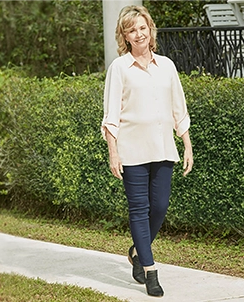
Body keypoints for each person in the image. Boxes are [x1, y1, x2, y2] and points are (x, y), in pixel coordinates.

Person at [101, 5, 193, 297]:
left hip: (163, 148)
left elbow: (179, 107)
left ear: (150, 30)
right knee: (138, 210)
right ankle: (150, 270)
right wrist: (113, 152)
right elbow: (111, 115)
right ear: (125, 36)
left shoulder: (166, 65)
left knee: (160, 207)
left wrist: (186, 143)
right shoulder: (119, 68)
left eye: (142, 28)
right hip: (132, 150)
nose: (138, 34)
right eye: (132, 30)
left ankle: (138, 252)